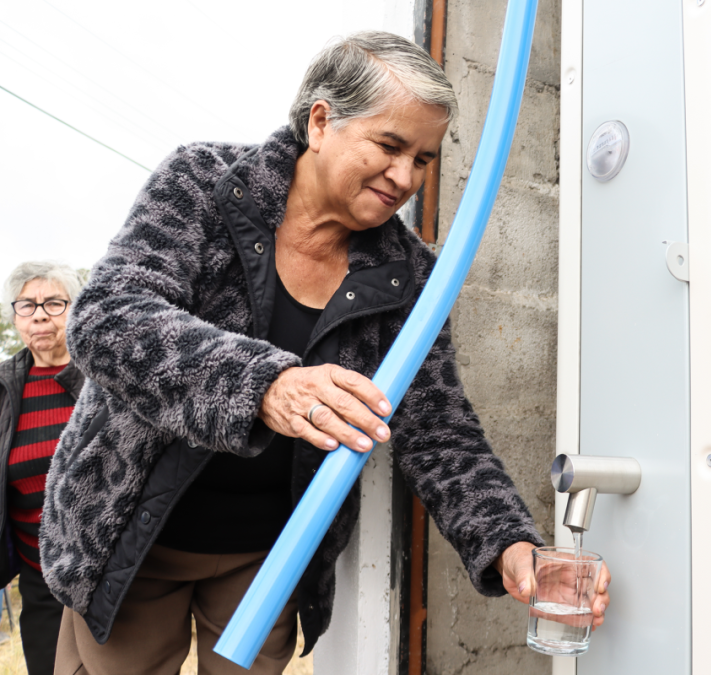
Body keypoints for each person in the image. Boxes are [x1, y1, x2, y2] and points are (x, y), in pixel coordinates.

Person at [41, 31, 610, 675]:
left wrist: (509, 543)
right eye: (390, 146)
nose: (405, 177)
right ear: (321, 122)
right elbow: (109, 319)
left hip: (270, 559)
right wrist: (266, 385)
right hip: (130, 542)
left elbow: (439, 432)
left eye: (423, 158)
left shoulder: (409, 276)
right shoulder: (204, 184)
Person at [0, 262, 85, 675]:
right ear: (15, 317)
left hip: (114, 575)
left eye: (54, 303)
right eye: (27, 305)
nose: (39, 314)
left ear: (76, 309)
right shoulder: (3, 390)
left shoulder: (104, 379)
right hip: (41, 581)